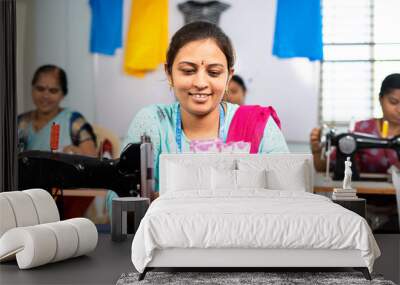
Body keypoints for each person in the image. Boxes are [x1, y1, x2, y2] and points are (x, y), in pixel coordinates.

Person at [110, 21, 288, 206]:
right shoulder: (152, 122)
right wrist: (145, 204)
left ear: (228, 77)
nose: (201, 82)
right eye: (188, 71)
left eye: (214, 72)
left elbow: (290, 200)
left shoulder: (259, 126)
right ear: (169, 74)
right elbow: (119, 205)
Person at [310, 73, 400, 173]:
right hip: (365, 188)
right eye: (393, 102)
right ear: (380, 99)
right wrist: (317, 151)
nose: (399, 110)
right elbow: (324, 168)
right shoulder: (360, 129)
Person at [18, 64, 97, 156]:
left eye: (53, 91)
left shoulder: (74, 122)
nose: (45, 96)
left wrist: (76, 153)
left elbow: (92, 158)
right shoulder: (21, 122)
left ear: (63, 94)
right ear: (32, 89)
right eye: (40, 89)